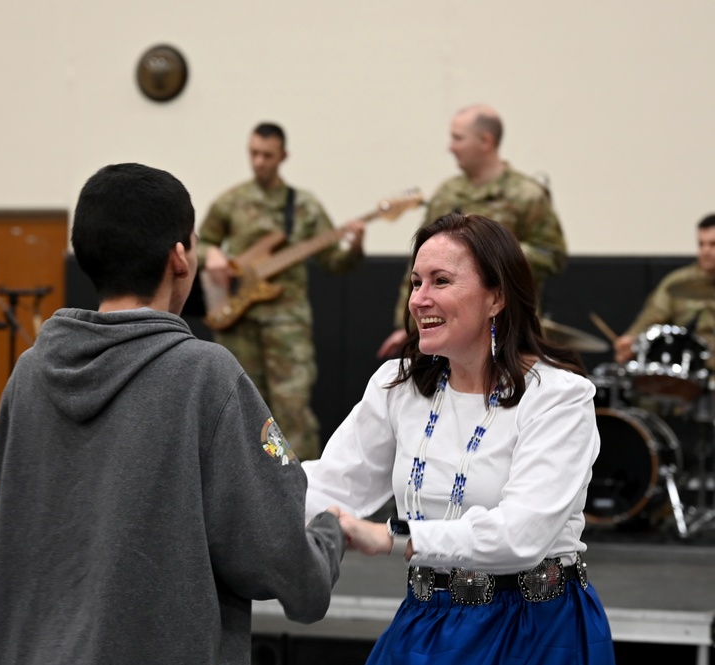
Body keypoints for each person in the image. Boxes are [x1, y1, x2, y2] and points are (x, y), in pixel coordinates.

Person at [0, 163, 345, 665]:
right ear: (180, 257)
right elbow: (275, 556)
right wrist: (329, 537)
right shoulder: (204, 374)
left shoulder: (27, 375)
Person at [305, 213, 614, 663]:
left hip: (534, 629)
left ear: (496, 297)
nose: (419, 299)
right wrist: (233, 496)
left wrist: (394, 536)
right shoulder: (400, 385)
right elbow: (332, 486)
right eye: (416, 282)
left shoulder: (558, 397)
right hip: (428, 619)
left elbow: (520, 535)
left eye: (440, 281)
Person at [198, 122, 365, 461]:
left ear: (283, 156)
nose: (259, 161)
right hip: (238, 322)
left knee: (291, 411)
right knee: (241, 409)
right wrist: (212, 254)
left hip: (287, 325)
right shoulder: (231, 201)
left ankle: (300, 489)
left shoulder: (304, 206)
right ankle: (248, 486)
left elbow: (335, 264)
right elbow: (201, 242)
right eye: (254, 153)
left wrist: (355, 245)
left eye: (267, 155)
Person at [378, 104, 566, 359]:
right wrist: (407, 327)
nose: (450, 147)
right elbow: (421, 262)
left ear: (485, 141)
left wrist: (494, 251)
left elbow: (553, 255)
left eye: (458, 138)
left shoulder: (526, 195)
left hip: (506, 329)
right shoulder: (447, 193)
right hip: (447, 329)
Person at [614, 213, 715, 369]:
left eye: (713, 244)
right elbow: (651, 318)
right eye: (701, 244)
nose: (706, 251)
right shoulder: (677, 282)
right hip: (689, 368)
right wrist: (631, 339)